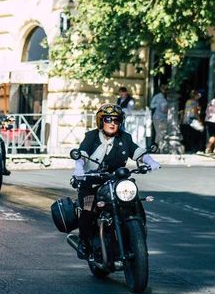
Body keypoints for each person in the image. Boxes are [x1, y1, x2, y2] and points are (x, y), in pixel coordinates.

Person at [72, 104, 160, 259]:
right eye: (108, 119)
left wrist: (150, 160)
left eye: (116, 120)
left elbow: (137, 152)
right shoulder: (91, 136)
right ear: (100, 121)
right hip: (92, 181)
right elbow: (82, 154)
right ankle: (84, 241)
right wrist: (79, 168)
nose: (112, 123)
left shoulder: (125, 138)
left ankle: (138, 236)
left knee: (134, 202)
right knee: (88, 208)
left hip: (116, 181)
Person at [151, 85, 169, 152]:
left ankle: (155, 149)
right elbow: (164, 110)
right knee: (160, 133)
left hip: (160, 118)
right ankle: (161, 149)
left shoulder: (163, 99)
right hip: (159, 118)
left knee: (158, 134)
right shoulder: (162, 100)